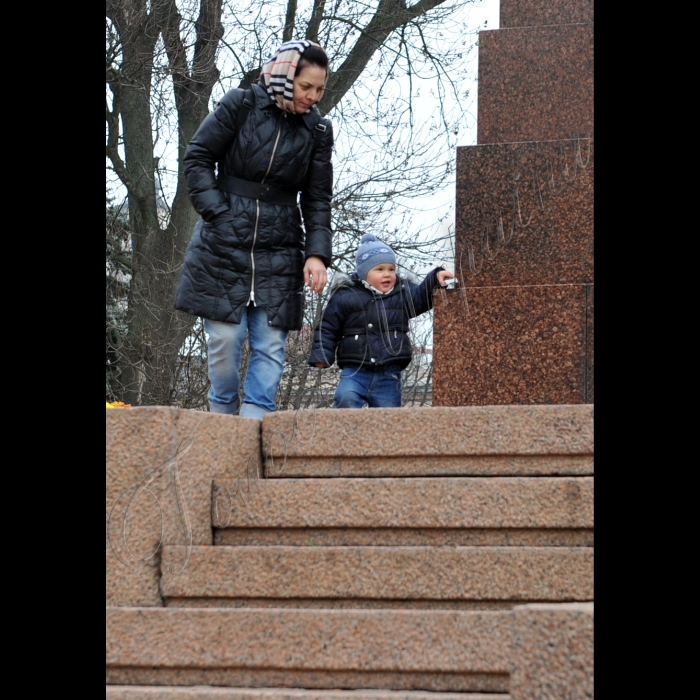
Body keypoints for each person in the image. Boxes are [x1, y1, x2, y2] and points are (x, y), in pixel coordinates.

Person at [175, 40, 334, 419]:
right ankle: (222, 418)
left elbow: (317, 199)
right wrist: (218, 214)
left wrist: (316, 254)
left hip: (280, 248)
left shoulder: (318, 131)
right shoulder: (240, 105)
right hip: (223, 244)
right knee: (226, 341)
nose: (313, 96)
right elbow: (197, 158)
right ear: (284, 78)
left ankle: (256, 426)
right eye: (306, 86)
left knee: (269, 347)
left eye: (320, 88)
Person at [308, 234, 455, 408]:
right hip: (355, 369)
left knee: (389, 413)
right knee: (346, 398)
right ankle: (343, 434)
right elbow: (328, 327)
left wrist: (434, 279)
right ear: (363, 272)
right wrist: (322, 355)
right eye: (380, 269)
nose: (387, 274)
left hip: (389, 372)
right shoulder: (346, 295)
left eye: (391, 269)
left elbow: (421, 296)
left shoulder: (402, 293)